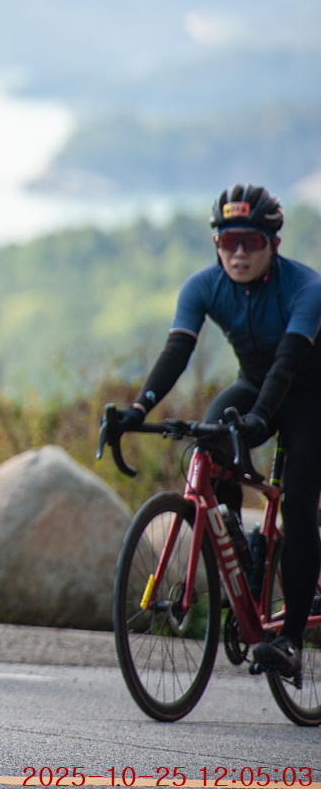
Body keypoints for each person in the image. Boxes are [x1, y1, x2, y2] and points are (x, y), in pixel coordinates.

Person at [110, 184, 321, 679]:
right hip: (253, 383)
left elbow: (288, 363)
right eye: (229, 242)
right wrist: (138, 408)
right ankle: (242, 546)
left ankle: (290, 640)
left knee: (298, 501)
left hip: (309, 397)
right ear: (216, 246)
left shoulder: (306, 288)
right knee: (207, 446)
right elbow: (177, 351)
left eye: (251, 241)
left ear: (273, 243)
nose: (239, 253)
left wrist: (260, 419)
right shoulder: (203, 286)